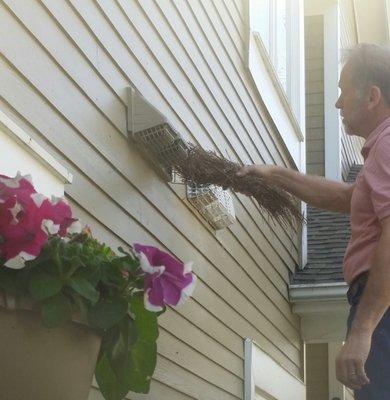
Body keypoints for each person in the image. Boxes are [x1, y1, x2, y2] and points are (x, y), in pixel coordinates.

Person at [236, 43, 390, 399]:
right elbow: (345, 198)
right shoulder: (378, 154)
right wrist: (275, 174)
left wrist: (364, 329)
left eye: (342, 91)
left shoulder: (386, 146)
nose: (337, 103)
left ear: (371, 96)